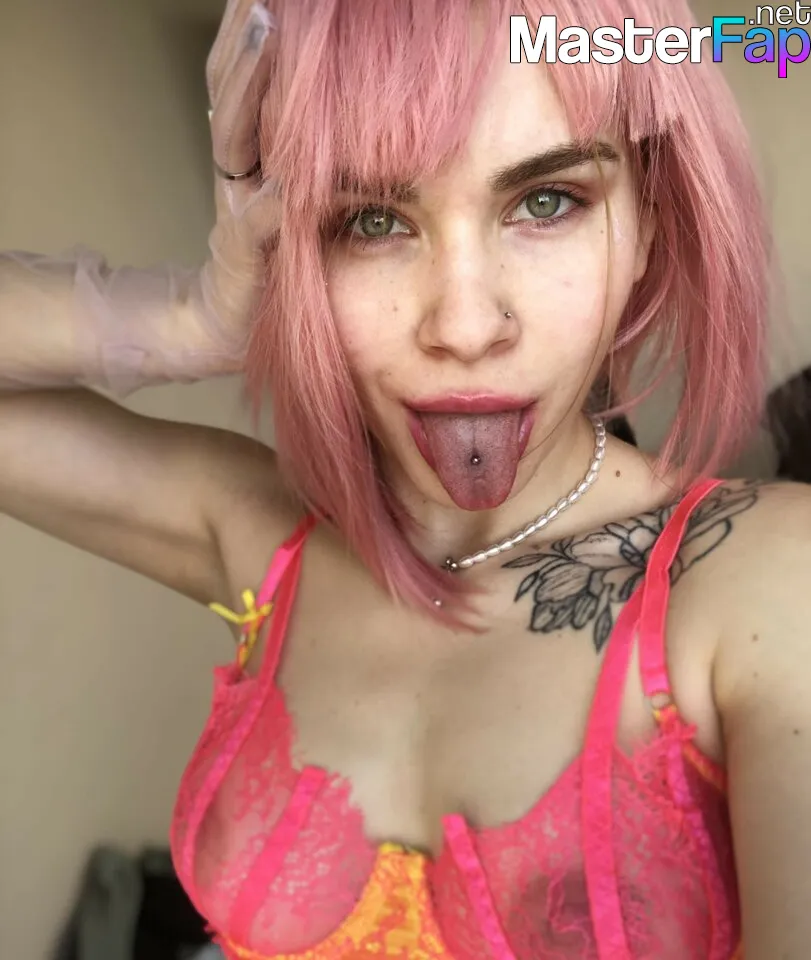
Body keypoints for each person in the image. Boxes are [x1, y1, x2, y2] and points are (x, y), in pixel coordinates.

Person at [2, 0, 810, 957]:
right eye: (371, 220)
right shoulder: (263, 544)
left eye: (545, 202)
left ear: (646, 228)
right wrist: (192, 317)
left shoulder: (765, 578)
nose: (464, 326)